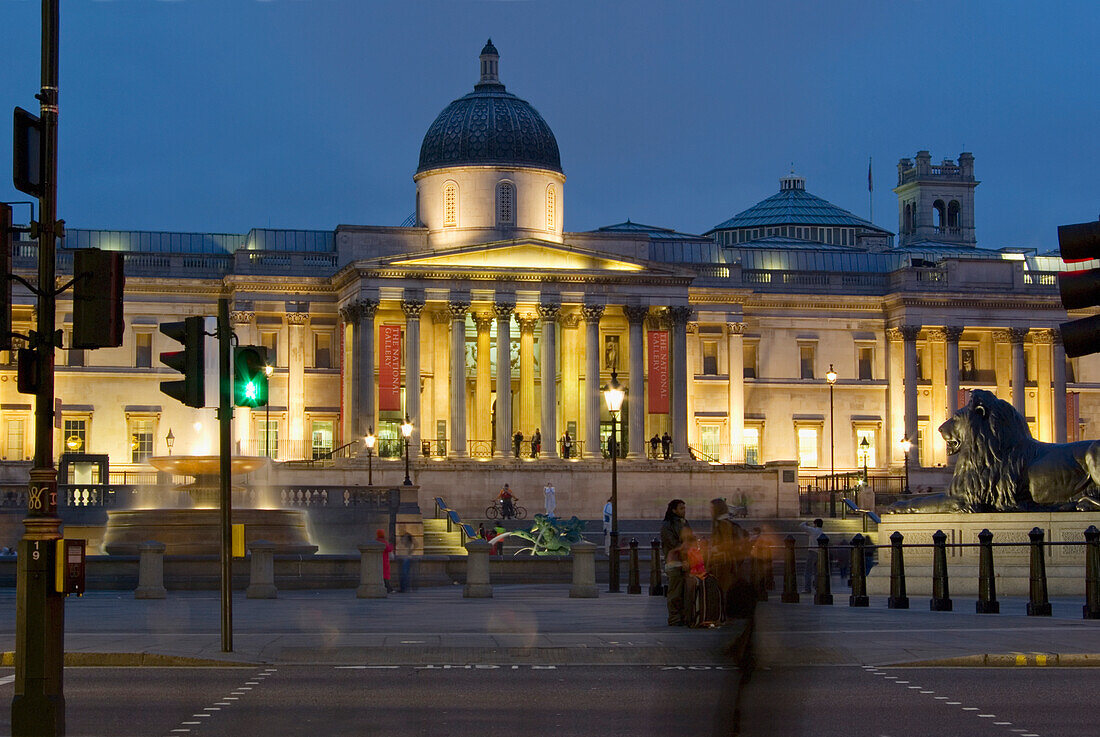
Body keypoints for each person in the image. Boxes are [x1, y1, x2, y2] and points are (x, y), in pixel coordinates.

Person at [660, 499, 690, 626]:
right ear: (674, 510)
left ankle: (683, 616)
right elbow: (673, 544)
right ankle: (674, 618)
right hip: (675, 562)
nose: (684, 510)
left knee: (684, 591)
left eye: (684, 508)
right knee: (675, 592)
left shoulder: (685, 523)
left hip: (686, 561)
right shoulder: (668, 525)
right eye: (681, 508)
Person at [799, 518, 827, 594]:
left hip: (812, 552)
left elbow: (801, 526)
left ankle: (807, 588)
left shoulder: (813, 530)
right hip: (819, 553)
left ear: (815, 524)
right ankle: (818, 587)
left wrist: (806, 522)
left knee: (808, 571)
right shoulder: (821, 532)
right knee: (817, 572)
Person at [376, 529, 395, 593]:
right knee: (385, 576)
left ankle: (387, 588)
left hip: (378, 561)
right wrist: (392, 545)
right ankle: (388, 589)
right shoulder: (384, 542)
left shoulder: (376, 541)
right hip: (384, 561)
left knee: (380, 575)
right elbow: (388, 549)